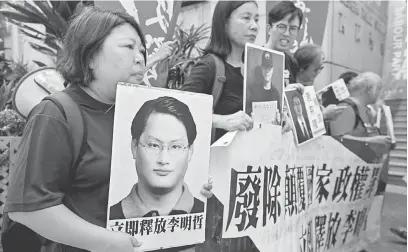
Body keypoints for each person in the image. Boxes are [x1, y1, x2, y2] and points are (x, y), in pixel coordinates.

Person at [4, 6, 212, 252]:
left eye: (142, 50)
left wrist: (188, 185)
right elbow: (30, 209)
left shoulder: (138, 113)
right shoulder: (57, 113)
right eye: (128, 47)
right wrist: (107, 241)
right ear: (90, 55)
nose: (140, 57)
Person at [110, 96, 204, 219]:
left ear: (190, 151)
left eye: (175, 147)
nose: (163, 160)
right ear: (134, 147)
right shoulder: (109, 217)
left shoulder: (210, 215)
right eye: (153, 145)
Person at [181, 1, 259, 142]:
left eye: (256, 19)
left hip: (252, 160)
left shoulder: (256, 69)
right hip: (216, 161)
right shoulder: (210, 66)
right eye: (246, 18)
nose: (254, 26)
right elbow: (177, 109)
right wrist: (220, 120)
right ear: (225, 23)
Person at [295, 44, 346, 123]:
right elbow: (299, 125)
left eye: (321, 69)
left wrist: (318, 109)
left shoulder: (310, 88)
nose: (318, 73)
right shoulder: (292, 89)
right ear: (302, 68)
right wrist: (324, 114)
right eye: (316, 69)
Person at [265, 1, 303, 86]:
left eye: (293, 28)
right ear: (269, 28)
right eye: (281, 27)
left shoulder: (292, 63)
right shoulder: (254, 56)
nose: (287, 33)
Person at [245, 50, 281, 120]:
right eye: (265, 67)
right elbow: (247, 112)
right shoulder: (253, 91)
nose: (267, 71)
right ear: (261, 69)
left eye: (269, 68)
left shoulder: (276, 94)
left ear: (273, 69)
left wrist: (279, 118)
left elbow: (279, 116)